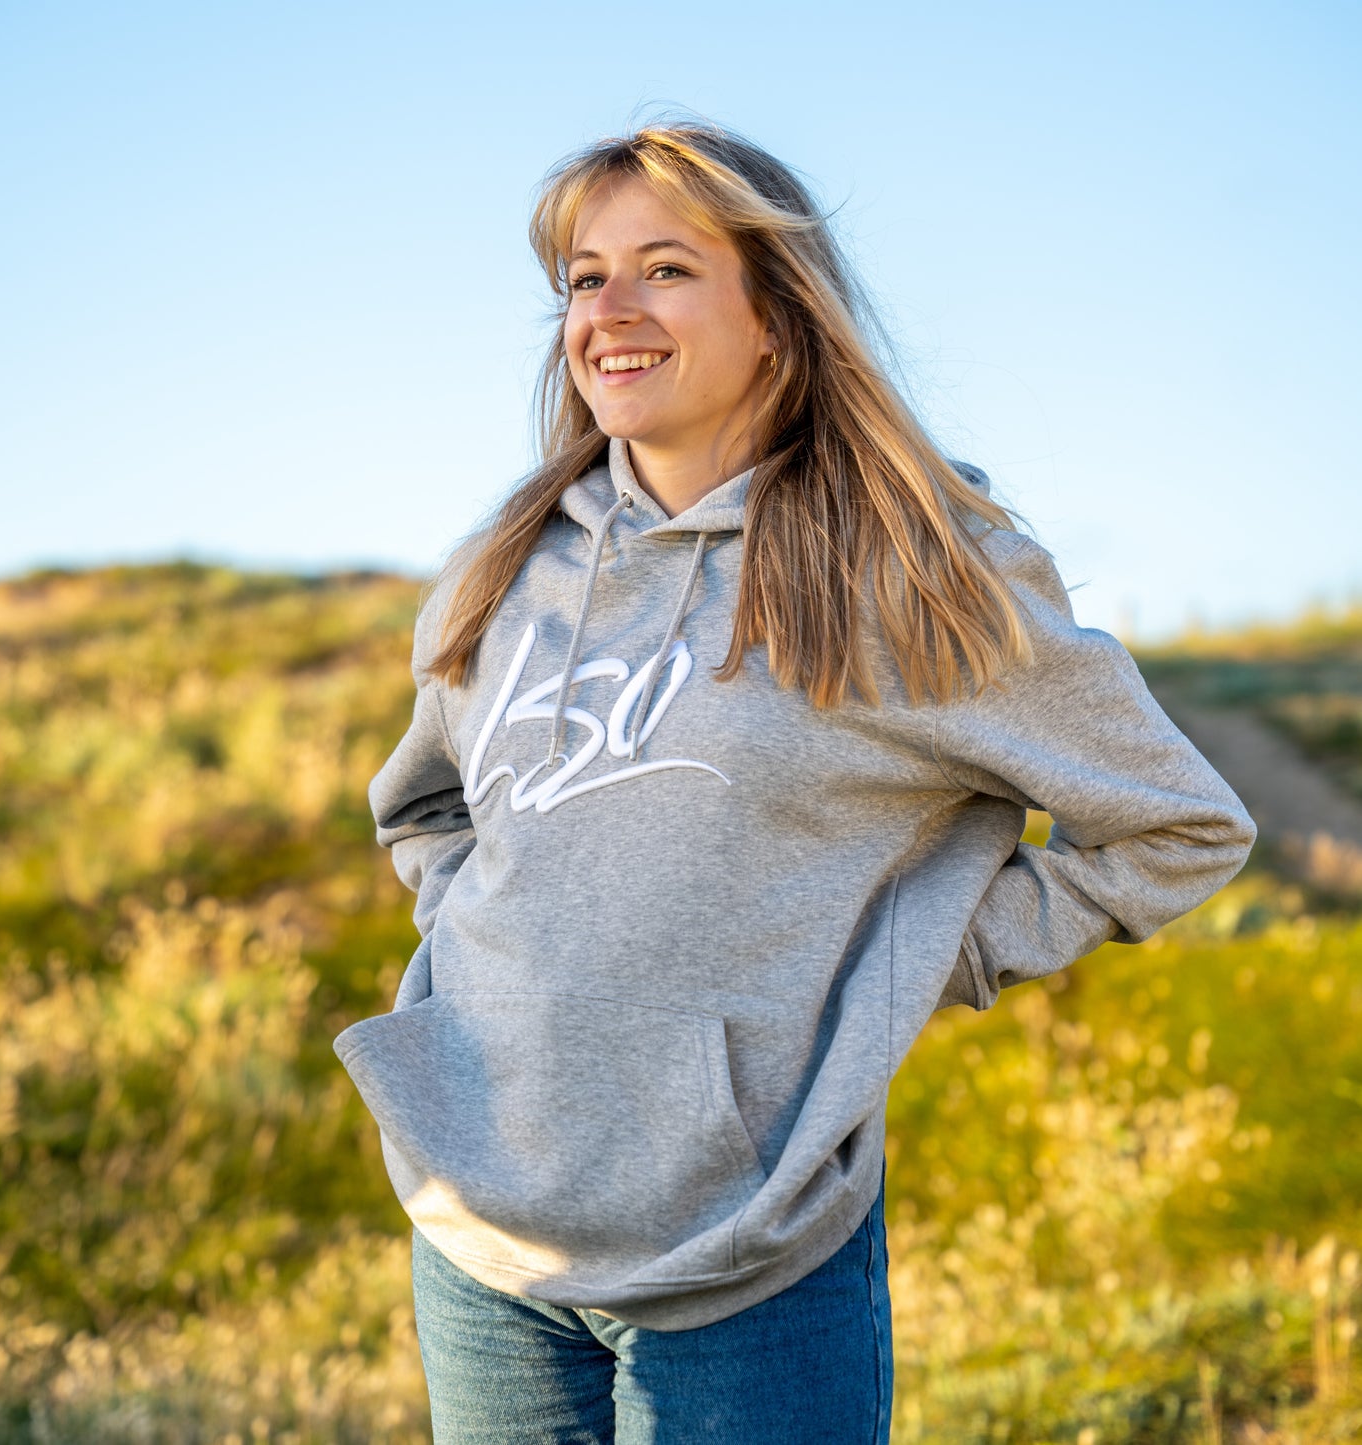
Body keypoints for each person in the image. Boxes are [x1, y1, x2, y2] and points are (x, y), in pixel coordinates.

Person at [335, 121, 1256, 1443]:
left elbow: (1176, 828)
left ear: (775, 310)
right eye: (585, 278)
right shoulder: (509, 562)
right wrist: (485, 978)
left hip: (746, 1248)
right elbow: (426, 809)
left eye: (663, 268)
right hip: (482, 1239)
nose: (610, 311)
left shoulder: (909, 569)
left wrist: (903, 961)